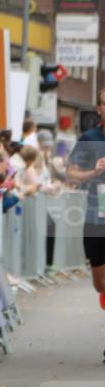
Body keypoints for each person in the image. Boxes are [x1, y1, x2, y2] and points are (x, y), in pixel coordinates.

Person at [66, 87, 105, 312]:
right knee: (100, 284)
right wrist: (92, 172)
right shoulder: (90, 139)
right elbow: (71, 175)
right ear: (99, 109)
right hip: (97, 218)